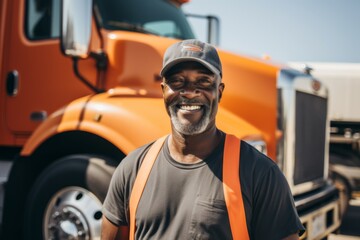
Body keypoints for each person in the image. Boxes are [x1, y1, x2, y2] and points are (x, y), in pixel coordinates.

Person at [101, 39, 305, 240]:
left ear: (219, 91)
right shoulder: (132, 169)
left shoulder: (259, 174)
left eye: (203, 81)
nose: (189, 92)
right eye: (177, 81)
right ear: (163, 90)